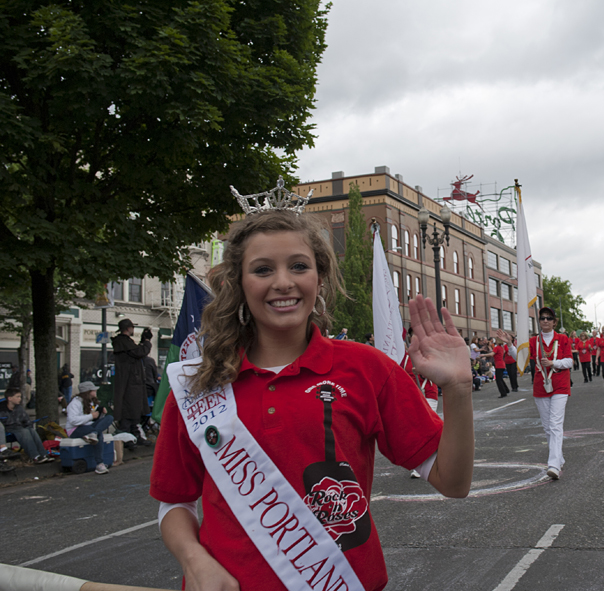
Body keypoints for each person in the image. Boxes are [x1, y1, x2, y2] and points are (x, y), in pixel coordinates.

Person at [150, 197, 473, 591]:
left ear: (319, 277)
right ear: (238, 283)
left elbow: (453, 482)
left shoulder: (367, 369)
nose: (283, 282)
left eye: (298, 266)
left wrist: (457, 389)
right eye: (263, 269)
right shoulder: (200, 382)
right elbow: (174, 503)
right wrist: (195, 561)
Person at [518, 306, 572, 480]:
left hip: (560, 386)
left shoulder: (562, 339)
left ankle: (553, 465)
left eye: (549, 318)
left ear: (554, 321)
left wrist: (553, 363)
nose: (546, 321)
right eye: (542, 318)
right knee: (547, 427)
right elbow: (522, 360)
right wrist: (509, 345)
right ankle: (559, 458)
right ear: (539, 321)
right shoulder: (534, 341)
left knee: (556, 424)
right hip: (541, 386)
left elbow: (570, 361)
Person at [111, 319, 153, 441]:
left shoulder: (124, 343)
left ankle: (135, 434)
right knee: (131, 408)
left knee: (133, 409)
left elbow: (135, 351)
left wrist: (143, 342)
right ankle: (127, 435)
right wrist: (146, 342)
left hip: (131, 381)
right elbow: (139, 352)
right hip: (130, 382)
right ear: (129, 328)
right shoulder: (122, 342)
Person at [66, 381, 115, 474]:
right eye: (94, 390)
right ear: (88, 392)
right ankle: (99, 464)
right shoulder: (75, 403)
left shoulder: (91, 402)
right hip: (75, 429)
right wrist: (91, 416)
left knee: (109, 418)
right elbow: (73, 420)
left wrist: (101, 415)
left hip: (88, 426)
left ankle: (94, 433)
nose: (96, 392)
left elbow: (92, 420)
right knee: (99, 434)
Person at [2, 387, 54, 464]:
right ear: (9, 398)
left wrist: (28, 425)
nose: (20, 399)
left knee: (31, 430)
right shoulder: (2, 409)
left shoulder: (19, 408)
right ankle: (34, 456)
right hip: (8, 429)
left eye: (20, 396)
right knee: (24, 432)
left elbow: (26, 419)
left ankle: (43, 454)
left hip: (19, 427)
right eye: (17, 397)